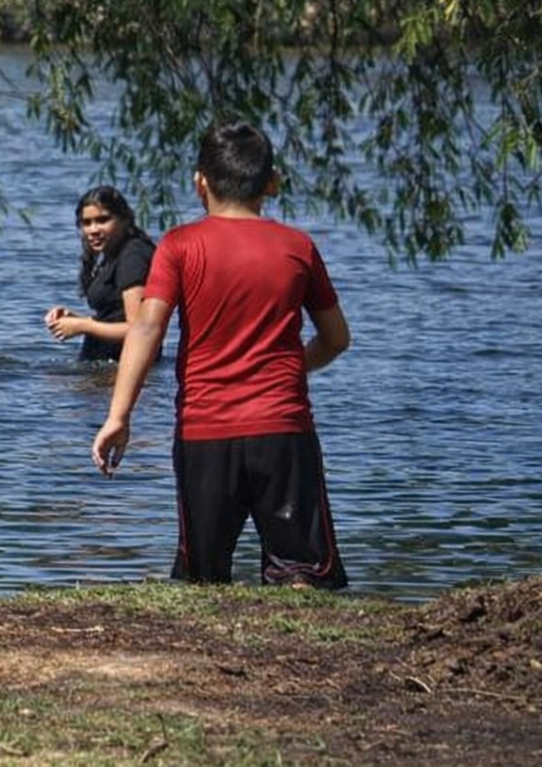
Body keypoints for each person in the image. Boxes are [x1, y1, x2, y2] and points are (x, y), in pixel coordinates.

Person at [91, 122, 351, 589]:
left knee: (204, 577)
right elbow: (335, 338)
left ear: (200, 183)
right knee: (302, 571)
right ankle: (298, 616)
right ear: (272, 183)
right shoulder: (298, 247)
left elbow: (146, 328)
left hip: (204, 432)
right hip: (282, 428)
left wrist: (118, 416)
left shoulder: (179, 245)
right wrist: (288, 368)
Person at [44, 185, 156, 362]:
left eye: (102, 220)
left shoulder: (133, 255)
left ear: (125, 220)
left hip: (120, 369)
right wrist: (77, 320)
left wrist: (84, 326)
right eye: (86, 223)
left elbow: (139, 329)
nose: (93, 230)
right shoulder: (115, 254)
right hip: (105, 366)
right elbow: (117, 317)